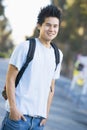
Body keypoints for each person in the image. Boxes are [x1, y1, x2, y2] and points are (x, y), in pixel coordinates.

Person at [1, 4, 63, 130]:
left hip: (38, 123)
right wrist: (13, 109)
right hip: (18, 119)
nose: (52, 29)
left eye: (55, 26)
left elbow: (51, 87)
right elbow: (10, 79)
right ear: (39, 26)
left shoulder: (58, 55)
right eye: (48, 25)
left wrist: (46, 114)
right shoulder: (25, 47)